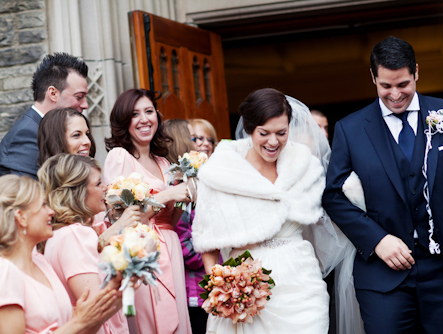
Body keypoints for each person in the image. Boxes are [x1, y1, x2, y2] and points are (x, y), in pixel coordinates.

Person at [323, 36, 443, 334]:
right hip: (383, 275)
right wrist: (377, 240)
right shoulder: (350, 129)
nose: (395, 95)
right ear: (373, 77)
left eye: (403, 84)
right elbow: (334, 195)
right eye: (385, 86)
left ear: (416, 72)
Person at [192, 88, 360, 334]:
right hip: (245, 283)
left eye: (281, 133)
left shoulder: (306, 168)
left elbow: (325, 221)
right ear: (249, 129)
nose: (273, 142)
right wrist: (224, 286)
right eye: (264, 133)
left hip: (302, 281)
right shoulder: (220, 173)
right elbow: (207, 240)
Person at [103, 88, 193, 334]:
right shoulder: (120, 157)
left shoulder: (163, 162)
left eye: (149, 111)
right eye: (134, 114)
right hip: (141, 248)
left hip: (170, 244)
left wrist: (186, 195)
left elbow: (171, 220)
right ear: (124, 121)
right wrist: (166, 195)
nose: (144, 119)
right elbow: (119, 219)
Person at [0, 174, 120, 334]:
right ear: (21, 217)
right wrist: (78, 323)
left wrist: (123, 282)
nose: (51, 211)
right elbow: (78, 324)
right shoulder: (5, 271)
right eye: (43, 205)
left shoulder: (40, 262)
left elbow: (84, 324)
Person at [38, 154, 141, 334]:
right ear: (78, 191)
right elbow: (96, 306)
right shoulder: (76, 234)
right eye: (98, 183)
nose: (106, 188)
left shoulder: (58, 233)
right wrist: (132, 275)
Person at [0, 53, 88, 179]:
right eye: (79, 97)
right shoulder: (27, 135)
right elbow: (30, 194)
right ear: (53, 93)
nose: (85, 105)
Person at [169, 118, 220, 334]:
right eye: (196, 139)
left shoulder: (209, 182)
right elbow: (182, 234)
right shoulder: (182, 186)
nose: (204, 144)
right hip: (197, 283)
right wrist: (209, 256)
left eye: (210, 139)